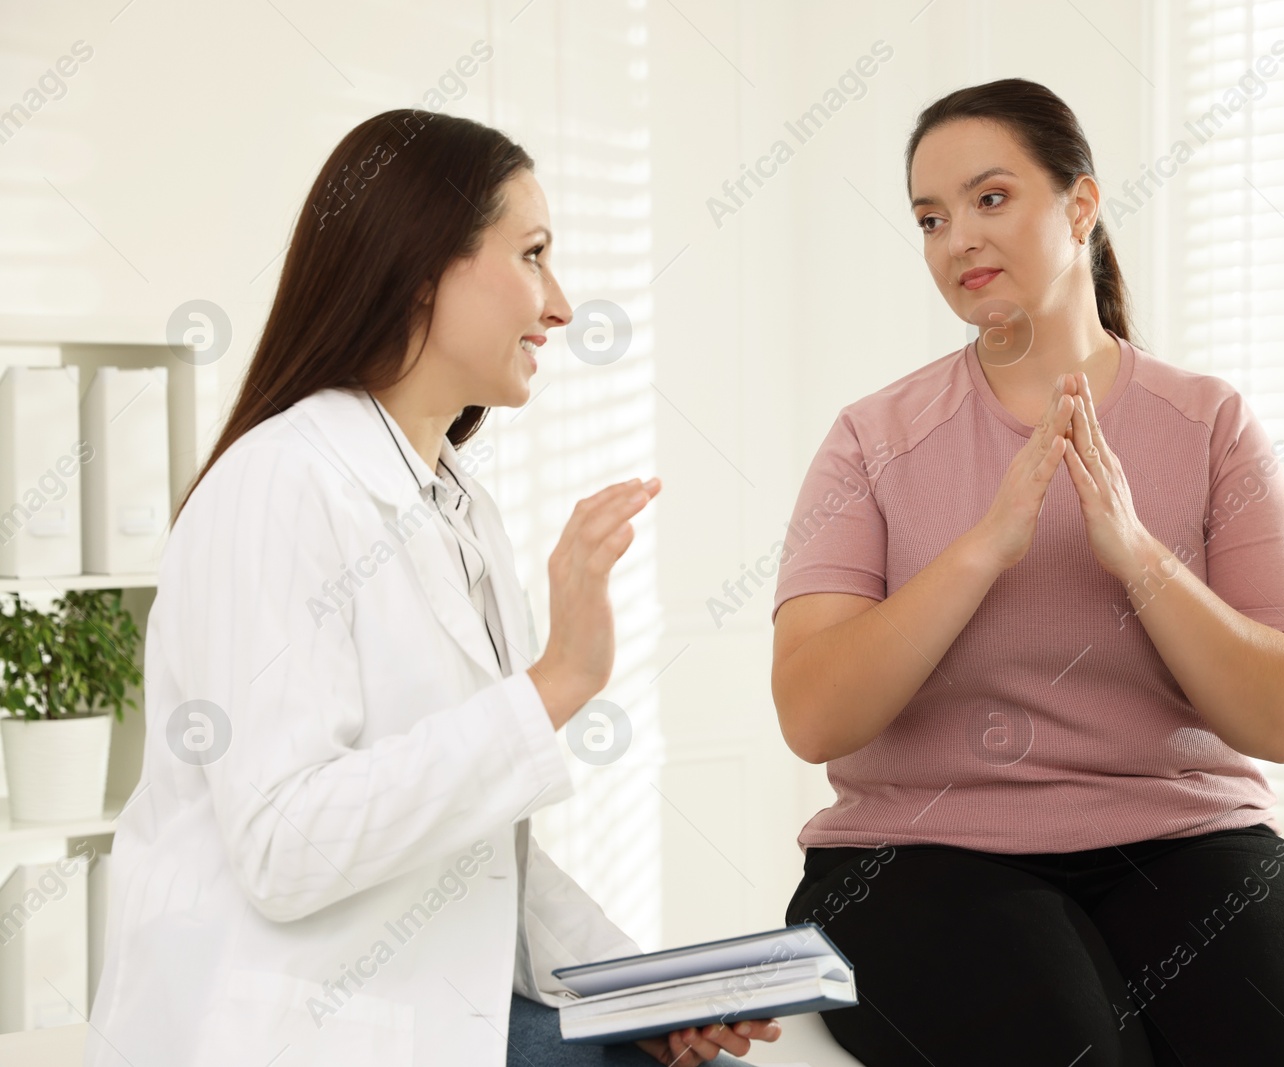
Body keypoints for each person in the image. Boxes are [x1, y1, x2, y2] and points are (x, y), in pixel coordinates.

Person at [85, 109, 776, 1067]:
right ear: (421, 270)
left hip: (431, 1009)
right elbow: (287, 845)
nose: (561, 303)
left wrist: (642, 987)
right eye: (533, 254)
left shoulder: (453, 503)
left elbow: (481, 854)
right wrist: (553, 684)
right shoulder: (279, 485)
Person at [770, 78, 1284, 1065]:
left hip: (1184, 834)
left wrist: (1135, 554)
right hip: (918, 854)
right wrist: (984, 547)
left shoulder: (1209, 423)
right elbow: (813, 713)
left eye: (991, 198)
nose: (958, 236)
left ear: (1080, 205)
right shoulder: (870, 439)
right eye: (931, 217)